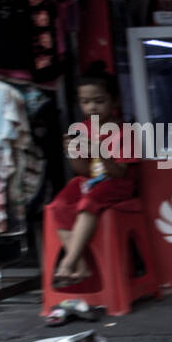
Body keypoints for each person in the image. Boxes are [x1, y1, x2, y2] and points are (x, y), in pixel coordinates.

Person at [46, 63, 138, 290]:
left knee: (88, 201)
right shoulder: (83, 128)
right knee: (59, 205)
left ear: (114, 101)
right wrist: (72, 152)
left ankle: (69, 261)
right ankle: (82, 264)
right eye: (85, 102)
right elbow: (84, 171)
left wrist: (99, 151)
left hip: (118, 184)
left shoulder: (125, 131)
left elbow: (119, 172)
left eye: (99, 101)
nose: (91, 107)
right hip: (93, 181)